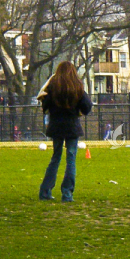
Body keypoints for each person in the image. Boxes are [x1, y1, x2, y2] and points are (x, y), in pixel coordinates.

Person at [38, 61, 94, 202]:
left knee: (55, 158)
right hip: (72, 126)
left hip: (56, 126)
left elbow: (44, 106)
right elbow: (87, 106)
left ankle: (45, 192)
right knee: (71, 160)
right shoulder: (77, 87)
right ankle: (67, 193)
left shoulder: (52, 87)